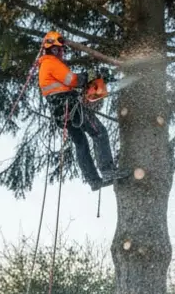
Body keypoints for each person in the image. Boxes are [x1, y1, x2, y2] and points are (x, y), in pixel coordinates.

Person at [37, 31, 119, 190]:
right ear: (53, 49)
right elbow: (73, 80)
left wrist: (95, 80)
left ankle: (94, 180)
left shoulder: (45, 66)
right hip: (70, 105)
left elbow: (67, 85)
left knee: (81, 143)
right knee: (99, 132)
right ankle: (108, 171)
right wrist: (92, 75)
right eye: (59, 50)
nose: (61, 53)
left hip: (61, 111)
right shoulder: (51, 62)